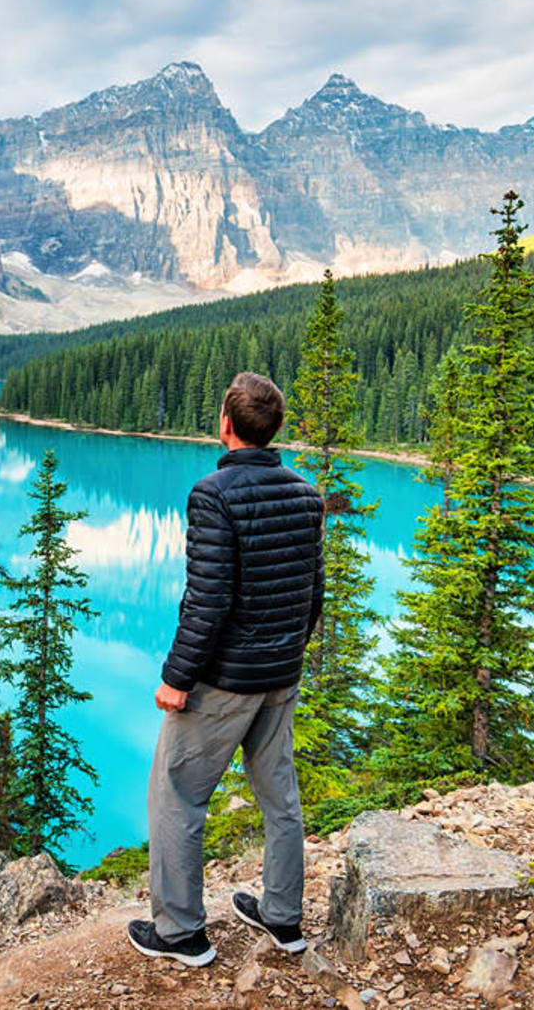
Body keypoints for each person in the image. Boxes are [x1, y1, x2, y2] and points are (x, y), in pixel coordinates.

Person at [127, 372, 325, 969]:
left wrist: (177, 678)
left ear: (226, 425)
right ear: (274, 430)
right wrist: (288, 654)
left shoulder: (213, 493)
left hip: (225, 681)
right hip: (280, 678)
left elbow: (208, 600)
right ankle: (282, 918)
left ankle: (182, 932)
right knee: (280, 798)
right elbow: (313, 592)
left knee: (177, 797)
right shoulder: (306, 494)